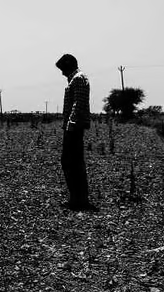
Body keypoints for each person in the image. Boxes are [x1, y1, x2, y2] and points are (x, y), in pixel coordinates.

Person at [55, 53, 98, 212]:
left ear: (68, 65)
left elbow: (77, 104)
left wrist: (70, 125)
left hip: (74, 127)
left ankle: (77, 198)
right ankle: (79, 198)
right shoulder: (77, 79)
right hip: (73, 126)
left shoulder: (78, 79)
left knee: (70, 161)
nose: (62, 73)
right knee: (74, 161)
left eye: (62, 69)